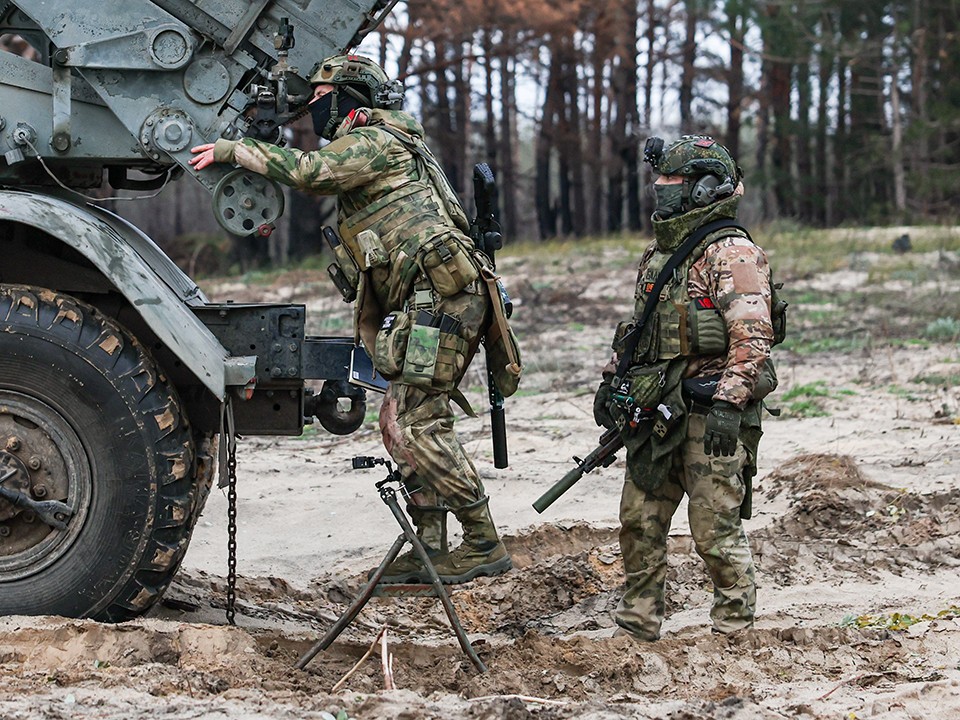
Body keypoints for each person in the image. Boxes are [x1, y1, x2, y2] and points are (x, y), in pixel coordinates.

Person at [190, 55, 513, 584]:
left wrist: (235, 151)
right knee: (398, 423)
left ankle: (483, 543)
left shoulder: (377, 142)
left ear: (348, 100)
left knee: (412, 423)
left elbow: (310, 172)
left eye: (319, 99)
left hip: (444, 300)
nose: (312, 109)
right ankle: (429, 544)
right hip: (428, 301)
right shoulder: (380, 145)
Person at [594, 135, 776, 640]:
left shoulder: (733, 253)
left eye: (671, 181)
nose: (660, 189)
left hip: (709, 411)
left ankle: (735, 628)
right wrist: (613, 381)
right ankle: (638, 621)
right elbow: (639, 330)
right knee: (639, 518)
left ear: (703, 189)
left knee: (715, 528)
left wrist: (728, 405)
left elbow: (752, 337)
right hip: (658, 408)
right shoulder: (660, 253)